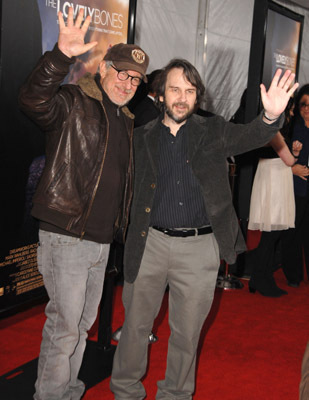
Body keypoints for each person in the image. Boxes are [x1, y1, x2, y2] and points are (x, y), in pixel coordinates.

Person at [109, 58, 298, 400]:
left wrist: (270, 116)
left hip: (199, 249)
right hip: (148, 243)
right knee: (135, 327)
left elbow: (251, 136)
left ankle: (176, 394)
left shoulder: (214, 131)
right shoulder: (140, 138)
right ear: (160, 95)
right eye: (175, 89)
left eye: (190, 91)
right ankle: (125, 391)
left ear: (198, 97)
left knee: (187, 332)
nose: (182, 97)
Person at [18, 7, 149, 400]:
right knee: (65, 326)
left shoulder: (126, 120)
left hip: (100, 240)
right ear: (105, 68)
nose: (128, 83)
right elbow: (32, 99)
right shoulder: (73, 101)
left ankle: (69, 390)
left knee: (83, 324)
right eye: (122, 72)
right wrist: (59, 56)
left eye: (136, 79)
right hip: (66, 235)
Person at [246, 124, 302, 297]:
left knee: (272, 233)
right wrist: (295, 155)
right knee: (271, 234)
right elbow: (288, 159)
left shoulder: (271, 124)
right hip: (274, 177)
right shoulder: (272, 124)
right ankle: (259, 277)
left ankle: (262, 277)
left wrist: (294, 153)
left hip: (275, 174)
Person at [282, 84, 309, 287]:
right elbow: (277, 158)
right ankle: (293, 275)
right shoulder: (292, 128)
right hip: (295, 189)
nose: (307, 108)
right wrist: (292, 169)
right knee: (292, 233)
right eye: (303, 104)